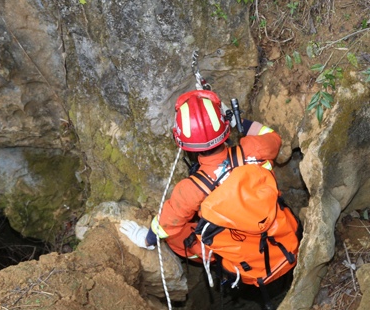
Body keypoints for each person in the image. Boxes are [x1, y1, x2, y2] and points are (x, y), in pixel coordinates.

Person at [119, 89, 282, 261]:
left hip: (238, 248)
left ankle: (213, 258)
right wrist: (236, 121)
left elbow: (166, 224)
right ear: (224, 127)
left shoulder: (191, 189)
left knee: (175, 236)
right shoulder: (254, 149)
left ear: (183, 143)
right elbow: (273, 137)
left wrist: (146, 239)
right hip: (272, 224)